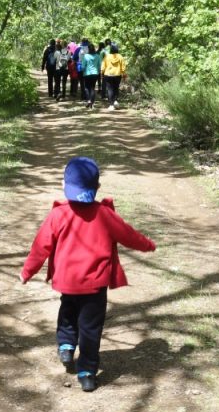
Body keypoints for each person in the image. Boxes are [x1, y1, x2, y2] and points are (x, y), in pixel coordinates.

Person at [20, 157, 156, 392]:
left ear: (64, 185)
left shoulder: (58, 215)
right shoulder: (105, 215)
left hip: (67, 282)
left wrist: (27, 272)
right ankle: (87, 372)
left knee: (68, 311)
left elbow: (40, 247)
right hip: (95, 286)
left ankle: (65, 345)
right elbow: (129, 235)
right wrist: (148, 245)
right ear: (97, 188)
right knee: (90, 328)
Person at [101, 44, 126, 110]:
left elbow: (103, 66)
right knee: (116, 88)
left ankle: (111, 104)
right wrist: (124, 74)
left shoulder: (107, 56)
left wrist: (101, 73)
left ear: (111, 49)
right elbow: (123, 67)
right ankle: (115, 101)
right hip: (117, 75)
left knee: (110, 89)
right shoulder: (120, 56)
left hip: (108, 75)